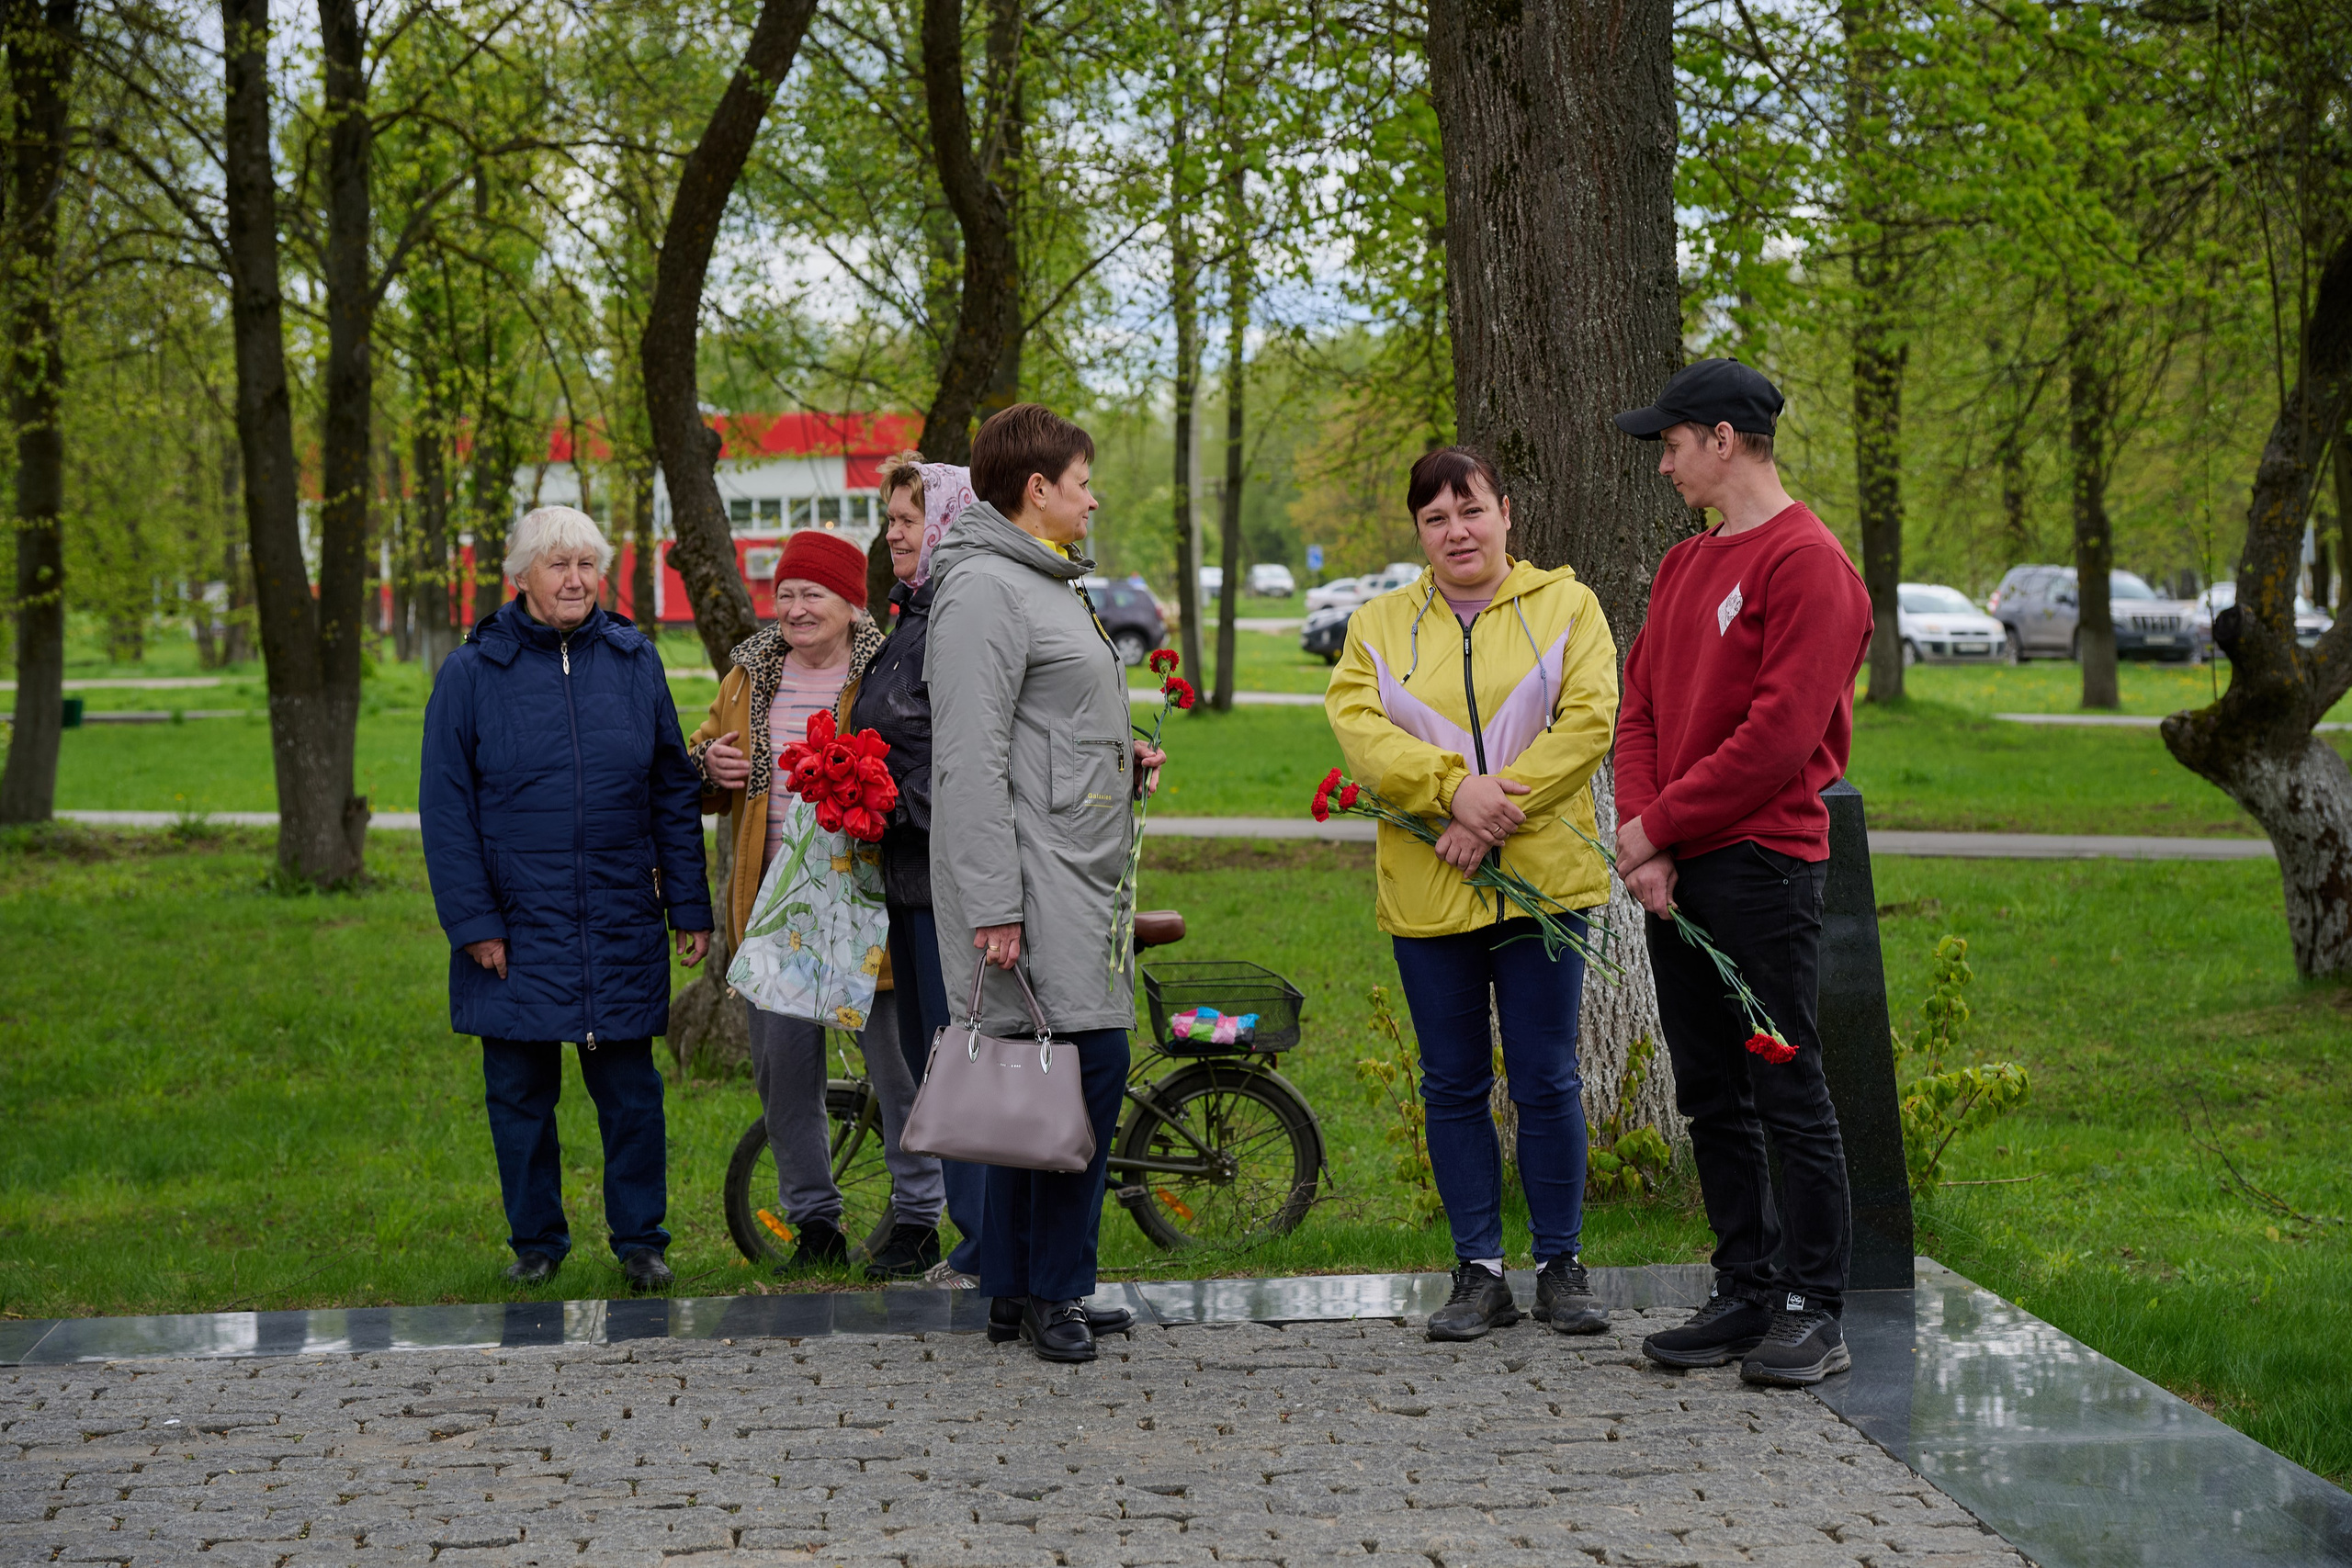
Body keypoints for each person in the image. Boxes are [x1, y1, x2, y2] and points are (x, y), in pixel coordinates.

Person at [1611, 358, 1874, 1387]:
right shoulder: (1684, 568)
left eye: (1670, 444)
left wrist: (1657, 826)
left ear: (1724, 439)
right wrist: (1648, 837)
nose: (1663, 463)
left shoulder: (1808, 566)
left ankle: (1815, 1307)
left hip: (1763, 867)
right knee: (1708, 1092)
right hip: (1675, 866)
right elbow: (1641, 710)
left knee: (1784, 1088)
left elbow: (1776, 741)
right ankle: (1745, 1289)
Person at [1325, 446, 1622, 1342]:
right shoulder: (1377, 624)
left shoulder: (1567, 606)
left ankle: (1561, 1269)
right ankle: (1478, 1271)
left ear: (1505, 514)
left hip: (1541, 889)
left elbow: (1588, 720)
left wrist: (1491, 813)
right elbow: (1359, 731)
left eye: (1471, 510)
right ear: (1417, 531)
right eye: (1435, 518)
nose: (1456, 530)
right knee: (1451, 1085)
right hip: (1429, 891)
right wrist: (1451, 790)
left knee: (1545, 1077)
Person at [421, 504, 713, 1293]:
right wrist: (475, 922)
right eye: (558, 565)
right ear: (520, 579)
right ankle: (537, 1243)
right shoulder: (471, 673)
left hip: (618, 916)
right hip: (514, 923)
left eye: (588, 563)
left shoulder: (634, 659)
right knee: (519, 1094)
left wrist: (689, 902)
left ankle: (642, 1242)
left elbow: (668, 789)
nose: (577, 579)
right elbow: (446, 811)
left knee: (630, 1095)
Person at [925, 403, 1165, 1364]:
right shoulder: (986, 589)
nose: (1092, 495)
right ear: (1037, 489)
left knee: (1046, 1077)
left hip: (1073, 866)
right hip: (1029, 874)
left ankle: (1018, 1285)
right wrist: (992, 901)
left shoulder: (1044, 584)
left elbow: (1045, 727)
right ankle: (1053, 1288)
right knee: (1080, 1074)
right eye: (1081, 480)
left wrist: (1119, 755)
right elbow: (968, 758)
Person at [688, 528, 946, 1280]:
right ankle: (815, 1222)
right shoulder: (750, 677)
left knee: (897, 1069)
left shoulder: (883, 669)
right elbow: (703, 753)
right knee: (782, 1068)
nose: (797, 610)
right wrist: (710, 760)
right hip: (775, 913)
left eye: (814, 594)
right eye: (787, 595)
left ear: (848, 603)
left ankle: (919, 1218)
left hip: (870, 907)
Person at [851, 452, 989, 1288]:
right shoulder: (910, 612)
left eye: (906, 517)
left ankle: (982, 1247)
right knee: (931, 1061)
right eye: (890, 517)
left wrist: (885, 801)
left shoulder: (957, 615)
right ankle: (972, 1236)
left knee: (960, 1065)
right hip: (906, 878)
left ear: (942, 520)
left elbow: (964, 756)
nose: (892, 532)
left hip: (950, 881)